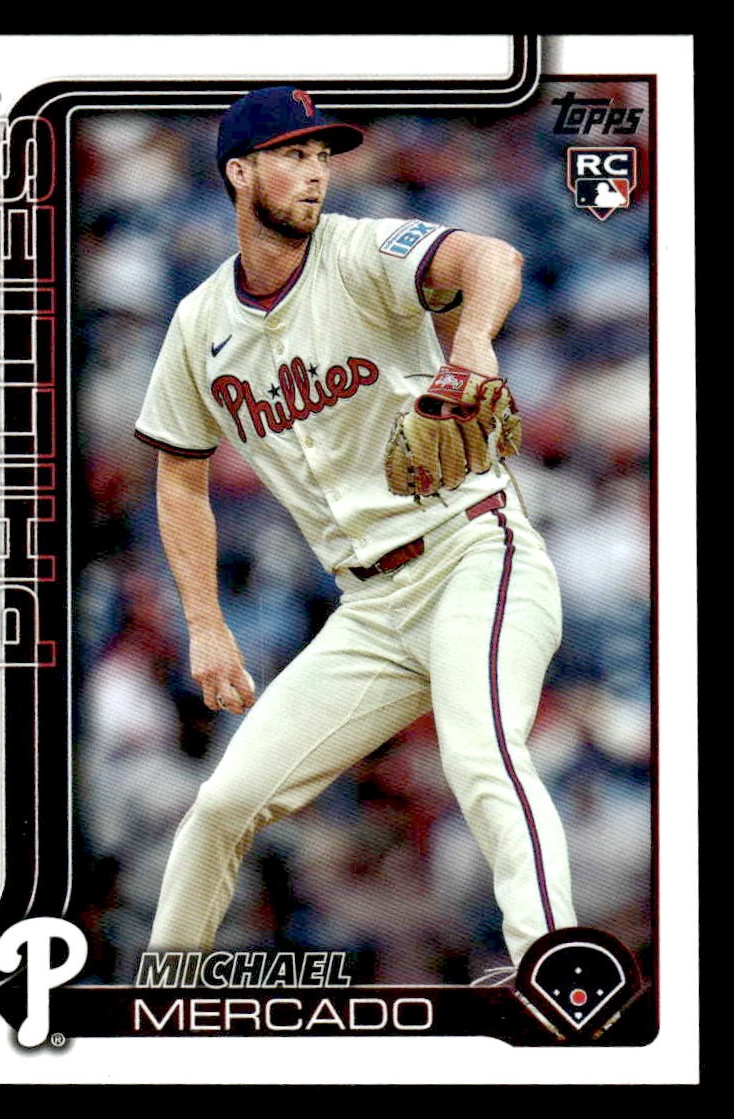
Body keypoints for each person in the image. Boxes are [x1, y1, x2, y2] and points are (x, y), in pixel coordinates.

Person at [134, 85, 577, 980]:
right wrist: (206, 624)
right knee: (224, 802)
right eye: (291, 155)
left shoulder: (360, 249)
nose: (315, 172)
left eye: (320, 155)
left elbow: (491, 257)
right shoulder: (198, 322)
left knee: (481, 753)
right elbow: (178, 475)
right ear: (238, 173)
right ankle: (162, 994)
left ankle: (554, 968)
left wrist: (471, 344)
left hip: (471, 554)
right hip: (367, 610)